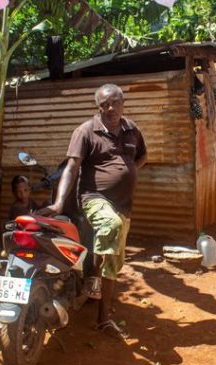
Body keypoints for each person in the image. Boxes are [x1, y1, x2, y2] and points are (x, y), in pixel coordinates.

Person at [38, 83, 146, 340]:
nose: (109, 108)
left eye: (114, 102)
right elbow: (72, 168)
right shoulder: (85, 131)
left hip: (123, 205)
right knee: (111, 226)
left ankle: (103, 318)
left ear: (122, 103)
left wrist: (128, 172)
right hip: (93, 198)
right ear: (97, 106)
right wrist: (58, 204)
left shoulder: (132, 130)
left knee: (114, 262)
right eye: (104, 104)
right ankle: (91, 279)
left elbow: (142, 156)